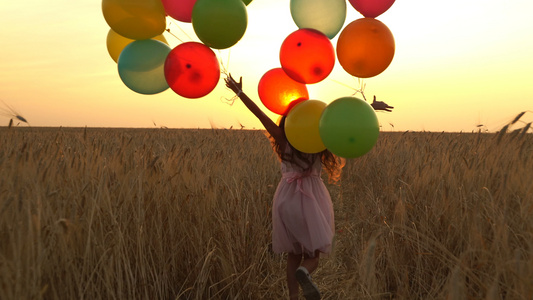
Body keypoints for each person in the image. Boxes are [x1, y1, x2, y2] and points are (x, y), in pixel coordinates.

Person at [224, 74, 393, 300]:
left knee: (293, 254)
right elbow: (344, 121)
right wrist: (369, 107)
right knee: (313, 254)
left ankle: (293, 296)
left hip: (285, 198)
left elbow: (260, 115)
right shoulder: (322, 138)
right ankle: (305, 272)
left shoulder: (283, 138)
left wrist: (240, 92)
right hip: (311, 197)